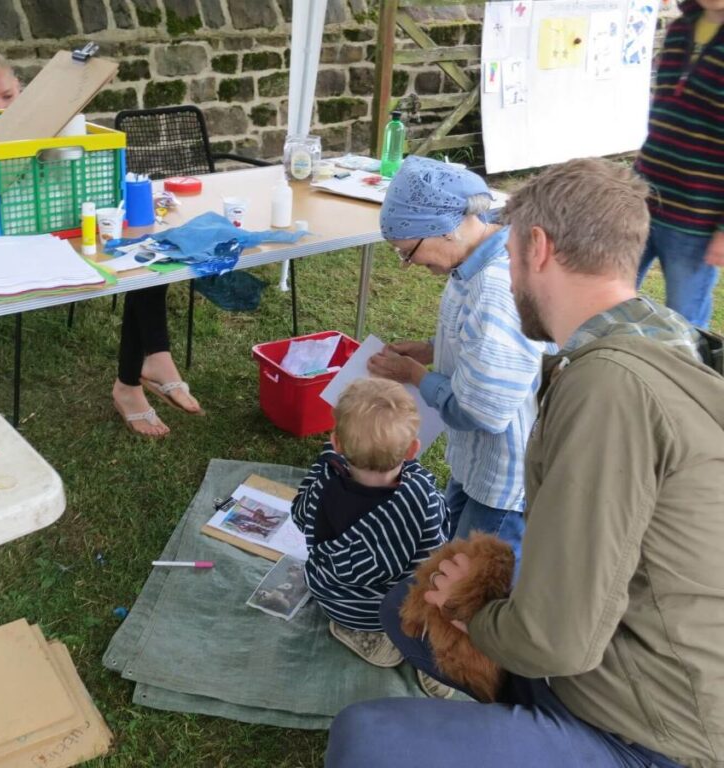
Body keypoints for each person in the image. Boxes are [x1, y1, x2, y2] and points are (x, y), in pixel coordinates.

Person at [326, 158, 724, 768]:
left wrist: (474, 613)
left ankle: (535, 732)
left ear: (536, 247)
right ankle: (517, 727)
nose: (504, 275)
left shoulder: (609, 389)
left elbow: (555, 640)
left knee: (365, 739)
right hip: (612, 655)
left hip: (644, 729)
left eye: (508, 253)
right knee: (403, 610)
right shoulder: (646, 337)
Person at [0, 50, 201, 437]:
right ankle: (139, 373)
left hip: (75, 229)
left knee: (147, 254)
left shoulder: (57, 124)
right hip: (16, 246)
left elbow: (72, 191)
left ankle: (146, 366)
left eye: (8, 95)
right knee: (135, 259)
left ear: (22, 89)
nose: (1, 107)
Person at [368, 156, 548, 560]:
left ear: (444, 229)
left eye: (407, 252)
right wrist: (434, 349)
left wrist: (416, 375)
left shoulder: (497, 291)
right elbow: (487, 347)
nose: (410, 263)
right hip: (476, 464)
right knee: (450, 558)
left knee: (474, 590)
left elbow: (483, 412)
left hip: (505, 478)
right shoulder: (472, 263)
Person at [291, 378, 450, 694]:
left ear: (336, 443)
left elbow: (298, 514)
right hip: (385, 610)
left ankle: (365, 633)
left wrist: (327, 461)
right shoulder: (421, 500)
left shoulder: (325, 479)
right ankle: (427, 652)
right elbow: (434, 559)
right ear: (413, 449)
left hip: (334, 597)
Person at [634, 0, 724, 329]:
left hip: (697, 217)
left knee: (682, 322)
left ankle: (684, 379)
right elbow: (665, 110)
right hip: (643, 196)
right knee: (606, 297)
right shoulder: (679, 29)